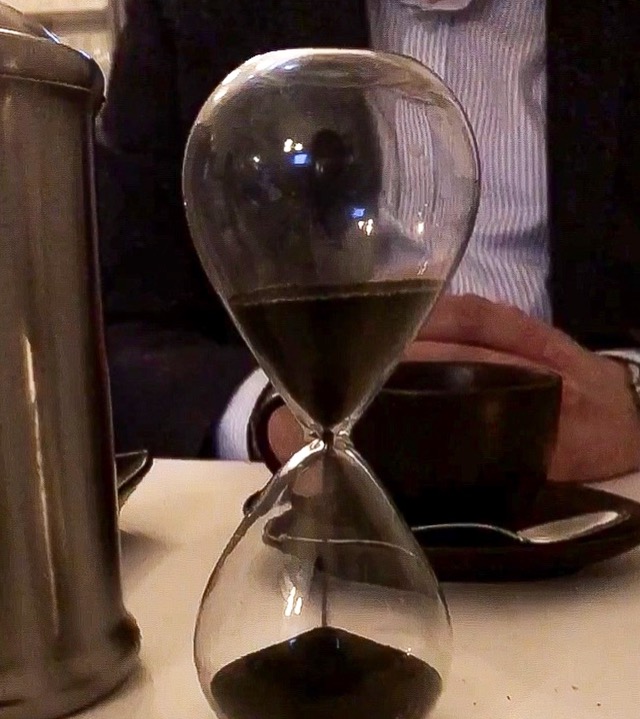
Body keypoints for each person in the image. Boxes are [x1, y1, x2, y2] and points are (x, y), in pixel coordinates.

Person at [96, 0, 640, 482]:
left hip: (600, 483)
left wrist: (634, 396)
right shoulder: (191, 14)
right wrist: (278, 413)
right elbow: (110, 334)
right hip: (296, 494)